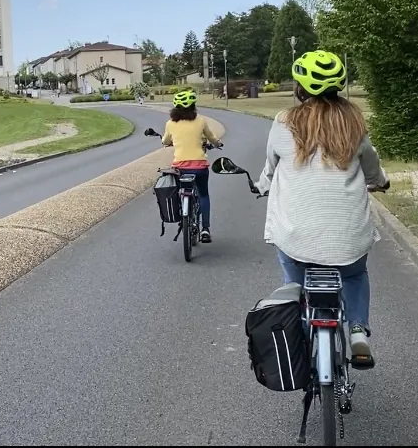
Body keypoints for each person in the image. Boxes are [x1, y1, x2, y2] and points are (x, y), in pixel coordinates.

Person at [255, 50, 390, 369]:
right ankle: (357, 331)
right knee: (355, 275)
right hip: (349, 238)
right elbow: (372, 169)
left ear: (299, 89)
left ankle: (301, 334)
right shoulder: (354, 122)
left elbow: (271, 168)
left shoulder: (284, 122)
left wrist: (262, 186)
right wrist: (381, 182)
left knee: (296, 281)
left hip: (296, 237)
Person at [161, 90, 223, 242]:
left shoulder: (170, 124)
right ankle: (206, 229)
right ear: (193, 107)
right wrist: (218, 144)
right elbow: (212, 138)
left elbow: (165, 141)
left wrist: (170, 142)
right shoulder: (200, 121)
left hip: (180, 168)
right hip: (200, 167)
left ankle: (183, 213)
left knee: (180, 191)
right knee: (203, 194)